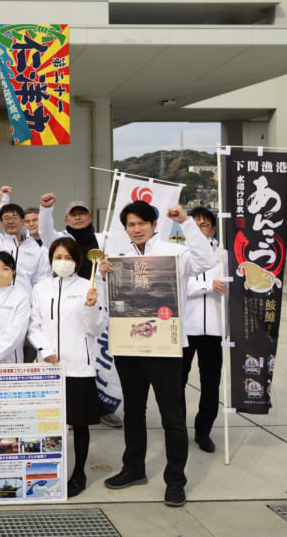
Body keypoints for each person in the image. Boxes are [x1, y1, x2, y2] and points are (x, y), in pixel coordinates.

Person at [99, 201, 217, 508]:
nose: (137, 229)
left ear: (154, 224)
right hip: (129, 346)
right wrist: (102, 276)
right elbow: (109, 301)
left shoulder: (174, 253)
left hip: (165, 347)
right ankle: (134, 468)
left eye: (142, 223)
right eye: (131, 224)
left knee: (172, 417)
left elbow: (206, 260)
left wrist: (186, 222)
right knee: (133, 413)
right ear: (125, 229)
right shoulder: (118, 258)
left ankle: (175, 481)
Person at [38, 193, 123, 429]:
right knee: (76, 361)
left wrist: (107, 271)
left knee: (105, 361)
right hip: (71, 308)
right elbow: (45, 231)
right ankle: (68, 414)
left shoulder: (104, 240)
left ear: (90, 217)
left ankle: (105, 408)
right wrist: (45, 209)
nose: (78, 218)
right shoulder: (60, 239)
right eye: (73, 215)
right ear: (66, 218)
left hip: (99, 305)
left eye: (82, 214)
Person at [28, 238, 104, 497]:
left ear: (77, 261)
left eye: (68, 257)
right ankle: (48, 472)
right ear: (51, 259)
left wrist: (91, 306)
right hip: (48, 367)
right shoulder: (40, 288)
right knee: (47, 424)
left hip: (78, 367)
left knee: (79, 424)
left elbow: (96, 328)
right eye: (58, 257)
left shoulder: (88, 287)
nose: (63, 262)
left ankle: (79, 473)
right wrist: (45, 350)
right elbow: (34, 325)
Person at [181, 206, 227, 454]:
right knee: (177, 381)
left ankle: (203, 431)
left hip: (214, 330)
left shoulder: (224, 256)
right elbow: (181, 287)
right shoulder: (180, 254)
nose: (200, 230)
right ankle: (177, 429)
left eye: (205, 225)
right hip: (186, 329)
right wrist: (209, 285)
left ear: (213, 229)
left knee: (210, 384)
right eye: (195, 225)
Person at [0, 186, 43, 291]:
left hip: (24, 299)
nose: (10, 221)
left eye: (15, 218)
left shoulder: (34, 247)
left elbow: (40, 279)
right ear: (1, 223)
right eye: (6, 218)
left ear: (22, 221)